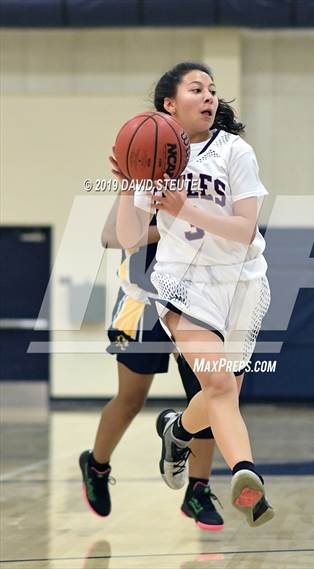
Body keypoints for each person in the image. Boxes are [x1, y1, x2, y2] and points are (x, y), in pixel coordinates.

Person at [112, 61, 274, 527]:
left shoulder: (235, 152)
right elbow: (128, 236)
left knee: (220, 393)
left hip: (242, 281)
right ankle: (246, 474)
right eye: (196, 89)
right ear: (169, 104)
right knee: (220, 386)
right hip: (182, 281)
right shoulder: (155, 159)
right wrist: (128, 184)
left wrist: (185, 208)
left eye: (212, 90)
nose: (209, 97)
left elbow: (244, 231)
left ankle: (176, 430)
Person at [78, 201, 224, 531]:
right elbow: (109, 235)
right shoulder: (139, 177)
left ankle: (197, 490)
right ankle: (97, 465)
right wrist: (170, 231)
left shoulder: (203, 177)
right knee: (131, 400)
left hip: (192, 300)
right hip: (140, 300)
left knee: (206, 395)